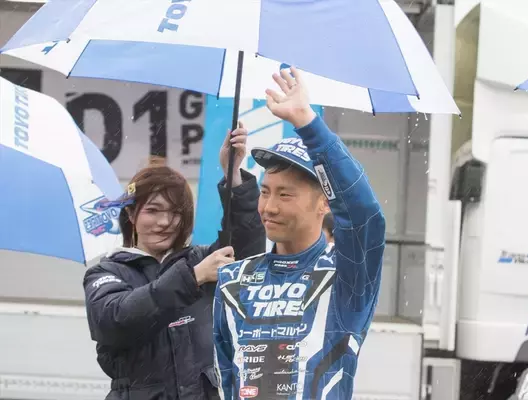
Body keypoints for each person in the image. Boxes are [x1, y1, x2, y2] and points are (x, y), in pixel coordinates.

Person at [213, 68, 386, 400]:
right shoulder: (233, 280)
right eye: (265, 192)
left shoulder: (346, 274)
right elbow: (226, 380)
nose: (270, 207)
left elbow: (364, 216)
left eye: (285, 195)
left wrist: (308, 123)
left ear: (324, 202)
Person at [82, 124, 266, 400]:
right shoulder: (105, 273)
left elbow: (248, 245)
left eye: (175, 212)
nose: (165, 222)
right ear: (131, 214)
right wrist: (192, 278)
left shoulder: (202, 260)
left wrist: (233, 174)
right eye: (153, 210)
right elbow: (115, 320)